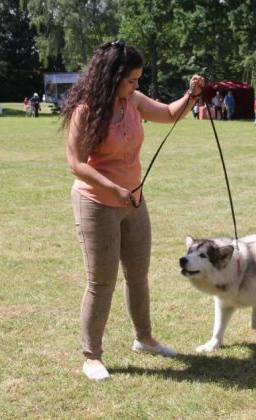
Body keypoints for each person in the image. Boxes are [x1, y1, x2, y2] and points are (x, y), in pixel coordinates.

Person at [61, 41, 205, 381]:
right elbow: (76, 164)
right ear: (111, 78)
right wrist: (113, 189)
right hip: (97, 203)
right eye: (131, 80)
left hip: (133, 202)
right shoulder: (86, 111)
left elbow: (169, 114)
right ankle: (91, 356)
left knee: (138, 275)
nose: (136, 86)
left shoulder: (133, 102)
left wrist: (191, 95)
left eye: (138, 80)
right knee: (101, 282)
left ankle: (145, 338)